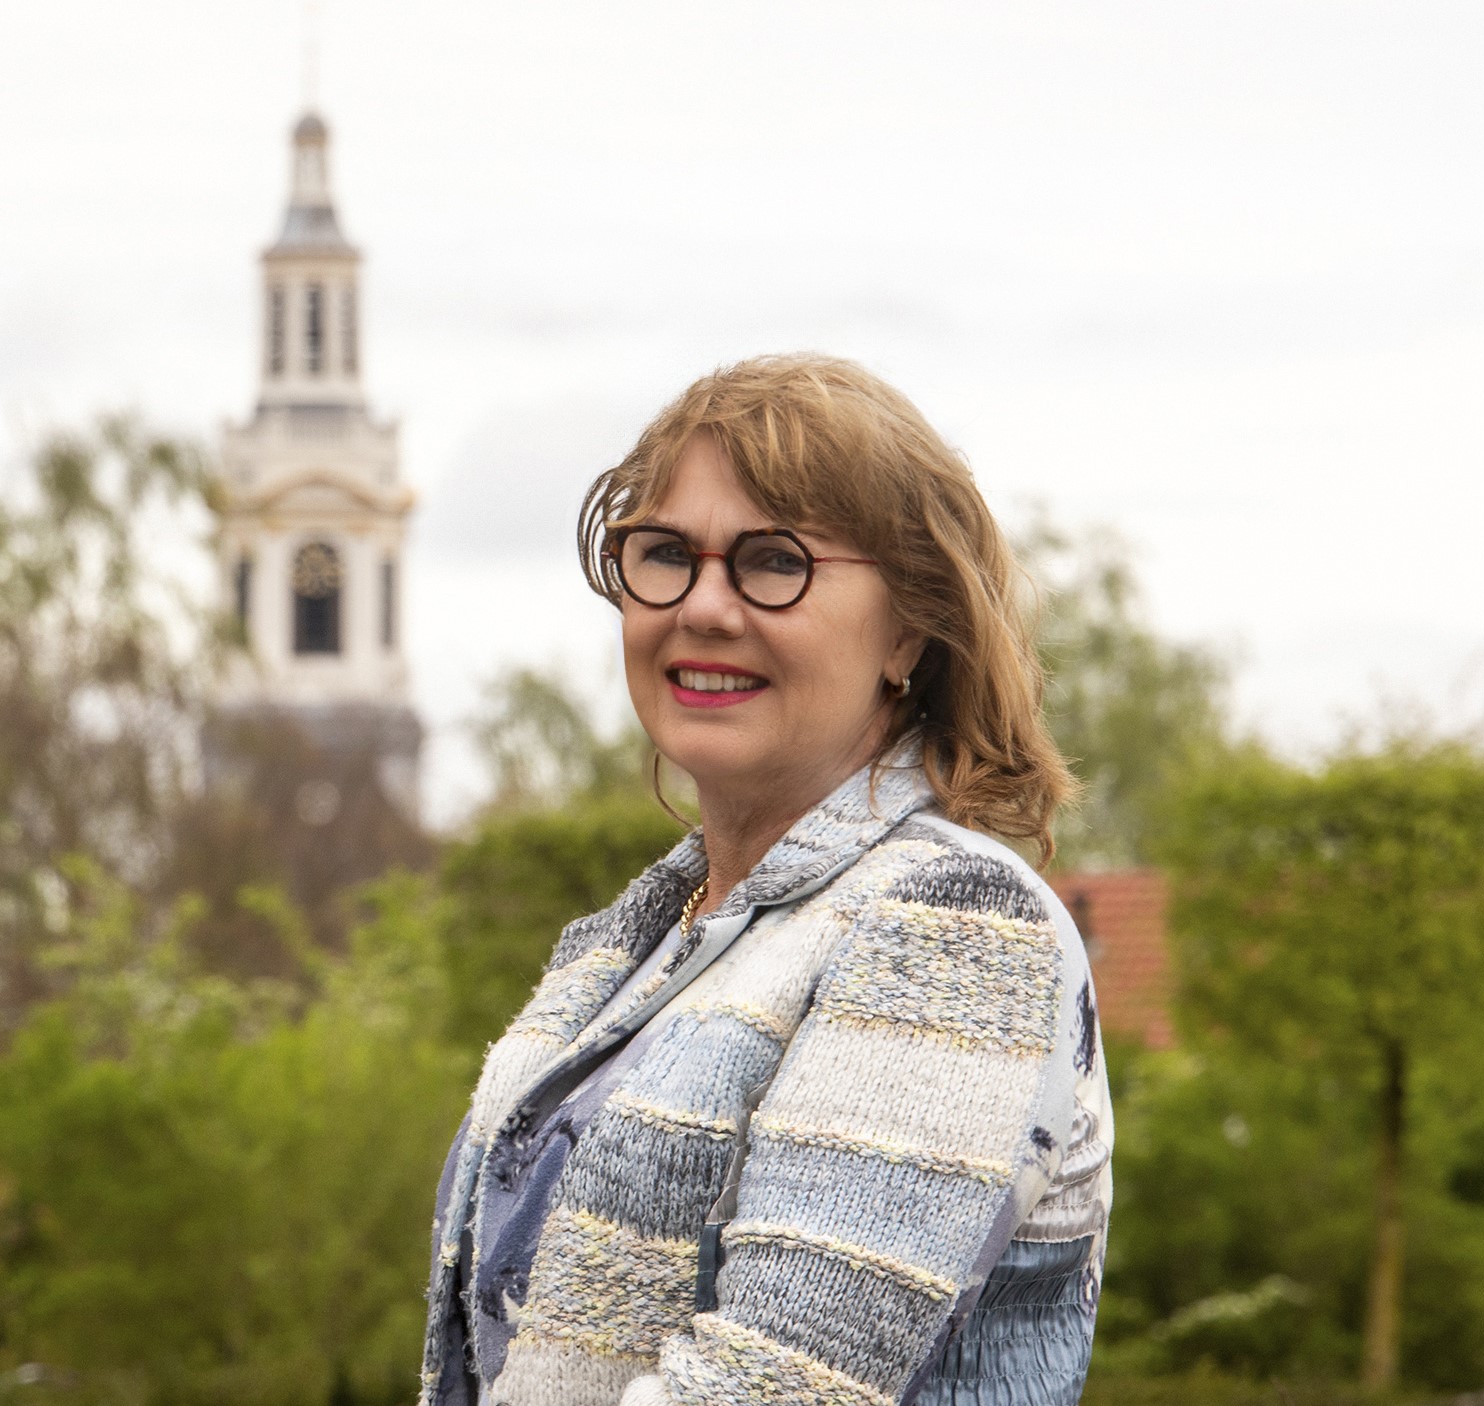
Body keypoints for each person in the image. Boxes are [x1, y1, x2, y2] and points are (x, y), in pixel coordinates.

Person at [421, 355, 1112, 1406]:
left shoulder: (953, 925)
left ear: (910, 626)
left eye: (773, 561)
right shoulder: (645, 940)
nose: (703, 606)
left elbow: (775, 1383)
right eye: (665, 553)